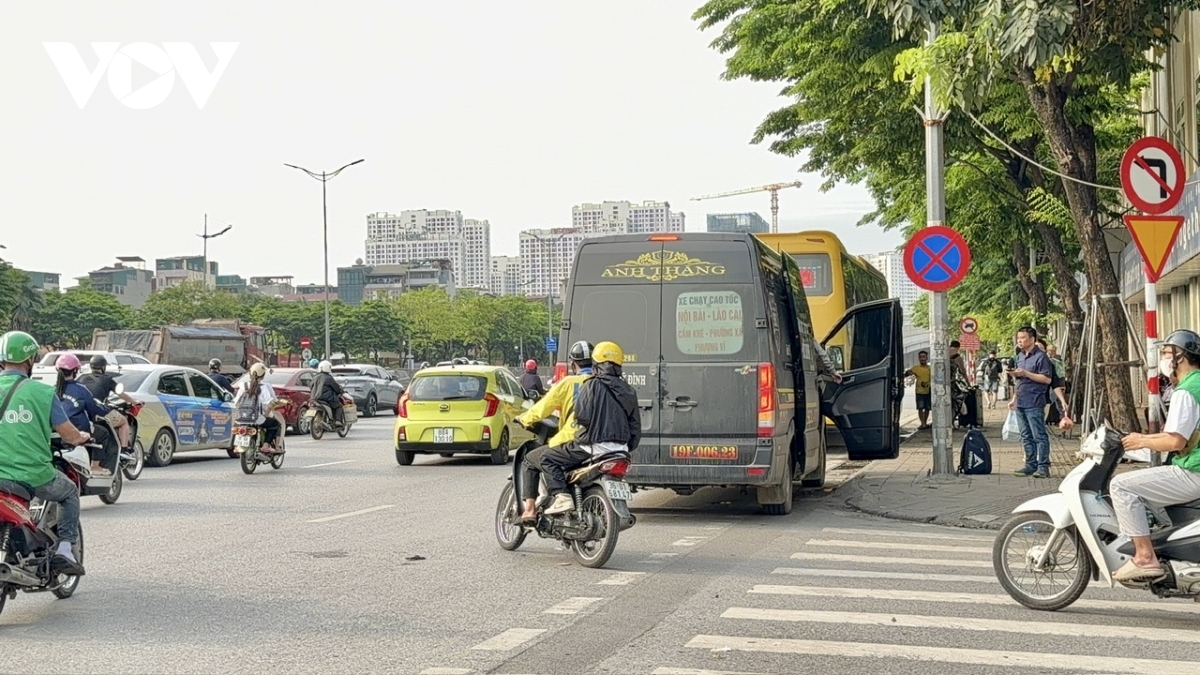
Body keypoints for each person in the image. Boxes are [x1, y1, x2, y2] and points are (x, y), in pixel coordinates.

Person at [1110, 329, 1200, 581]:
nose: (1163, 358)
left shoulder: (1186, 391)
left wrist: (1140, 440)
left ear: (1180, 357)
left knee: (1121, 487)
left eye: (1166, 353)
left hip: (1193, 470)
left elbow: (1174, 440)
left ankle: (1144, 557)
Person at [0, 331, 90, 575]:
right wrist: (82, 437)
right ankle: (64, 549)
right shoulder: (42, 393)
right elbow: (69, 434)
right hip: (33, 475)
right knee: (70, 491)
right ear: (30, 360)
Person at [515, 340, 594, 519]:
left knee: (531, 459)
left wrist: (524, 418)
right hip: (600, 442)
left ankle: (530, 509)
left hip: (573, 440)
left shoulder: (568, 383)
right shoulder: (601, 384)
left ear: (573, 364)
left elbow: (543, 407)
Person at [54, 353, 116, 477]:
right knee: (103, 433)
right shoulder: (81, 389)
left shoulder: (52, 390)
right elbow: (94, 409)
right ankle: (95, 466)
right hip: (79, 430)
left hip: (57, 432)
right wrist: (106, 408)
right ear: (75, 370)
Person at [1010, 326, 1054, 478]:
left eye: (1023, 338)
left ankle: (1043, 466)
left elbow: (1047, 379)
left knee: (1039, 435)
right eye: (1018, 338)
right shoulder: (1020, 356)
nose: (1019, 341)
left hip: (1034, 401)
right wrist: (1014, 397)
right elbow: (1020, 380)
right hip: (1021, 400)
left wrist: (1026, 373)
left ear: (1032, 339)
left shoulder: (1041, 357)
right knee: (1025, 435)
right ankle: (1030, 464)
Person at [77, 354, 138, 450]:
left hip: (81, 413)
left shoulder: (81, 378)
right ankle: (124, 450)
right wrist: (134, 402)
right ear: (103, 367)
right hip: (98, 412)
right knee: (123, 421)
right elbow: (121, 394)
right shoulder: (107, 379)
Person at [232, 362, 283, 453]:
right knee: (275, 424)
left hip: (241, 418)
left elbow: (236, 402)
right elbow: (270, 403)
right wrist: (266, 415)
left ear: (250, 373)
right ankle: (266, 445)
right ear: (263, 375)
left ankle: (238, 445)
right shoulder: (264, 387)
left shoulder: (243, 385)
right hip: (257, 418)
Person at [309, 360, 347, 428]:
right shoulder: (329, 378)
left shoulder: (315, 377)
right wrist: (340, 391)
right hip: (327, 399)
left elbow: (310, 386)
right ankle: (338, 421)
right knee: (338, 406)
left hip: (314, 398)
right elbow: (336, 388)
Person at [904, 350, 932, 430]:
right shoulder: (915, 368)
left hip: (928, 390)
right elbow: (907, 373)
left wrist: (928, 384)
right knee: (920, 408)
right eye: (920, 357)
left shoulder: (930, 369)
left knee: (927, 408)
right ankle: (922, 423)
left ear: (927, 358)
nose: (922, 359)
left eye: (923, 357)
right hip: (919, 391)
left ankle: (925, 422)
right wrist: (908, 373)